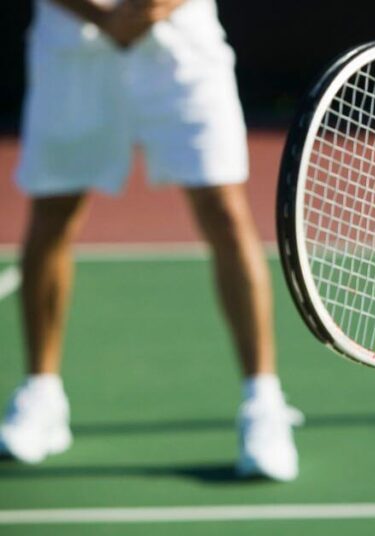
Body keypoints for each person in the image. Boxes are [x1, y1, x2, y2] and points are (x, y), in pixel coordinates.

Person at [0, 0, 303, 482]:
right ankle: (41, 395)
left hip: (182, 44)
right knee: (53, 210)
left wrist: (154, 6)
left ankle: (263, 403)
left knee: (224, 209)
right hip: (70, 42)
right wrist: (99, 15)